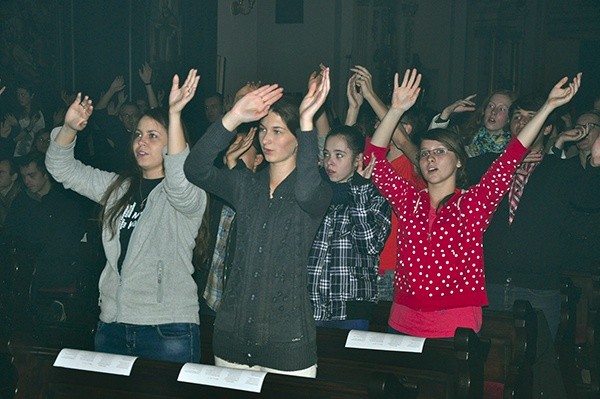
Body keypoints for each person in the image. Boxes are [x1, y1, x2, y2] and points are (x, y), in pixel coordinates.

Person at [365, 68, 581, 338]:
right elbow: (372, 161)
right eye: (425, 154)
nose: (431, 158)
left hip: (453, 324)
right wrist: (395, 111)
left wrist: (548, 106)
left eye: (440, 152)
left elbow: (512, 156)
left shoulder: (472, 204)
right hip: (403, 320)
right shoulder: (410, 201)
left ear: (458, 160)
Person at [45, 69, 207, 363]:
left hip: (166, 329)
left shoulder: (190, 193)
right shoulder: (118, 188)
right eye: (138, 135)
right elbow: (62, 170)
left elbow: (180, 184)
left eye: (153, 136)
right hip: (113, 325)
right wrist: (68, 127)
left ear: (175, 144)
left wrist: (174, 114)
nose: (141, 142)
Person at [184, 70, 332, 377]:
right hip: (231, 342)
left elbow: (304, 191)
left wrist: (307, 122)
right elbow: (195, 168)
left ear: (297, 140)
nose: (266, 138)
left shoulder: (318, 190)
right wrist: (234, 115)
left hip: (288, 344)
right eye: (263, 129)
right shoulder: (245, 185)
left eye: (278, 131)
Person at [308, 125, 391, 330]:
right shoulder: (316, 192)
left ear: (357, 160)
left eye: (339, 155)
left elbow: (370, 246)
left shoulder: (374, 195)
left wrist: (360, 193)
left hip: (351, 307)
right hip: (311, 305)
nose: (330, 161)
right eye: (326, 154)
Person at [429, 90, 515, 158]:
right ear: (484, 111)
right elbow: (431, 145)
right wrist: (446, 113)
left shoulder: (512, 150)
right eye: (491, 106)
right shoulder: (464, 137)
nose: (493, 112)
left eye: (502, 109)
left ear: (509, 118)